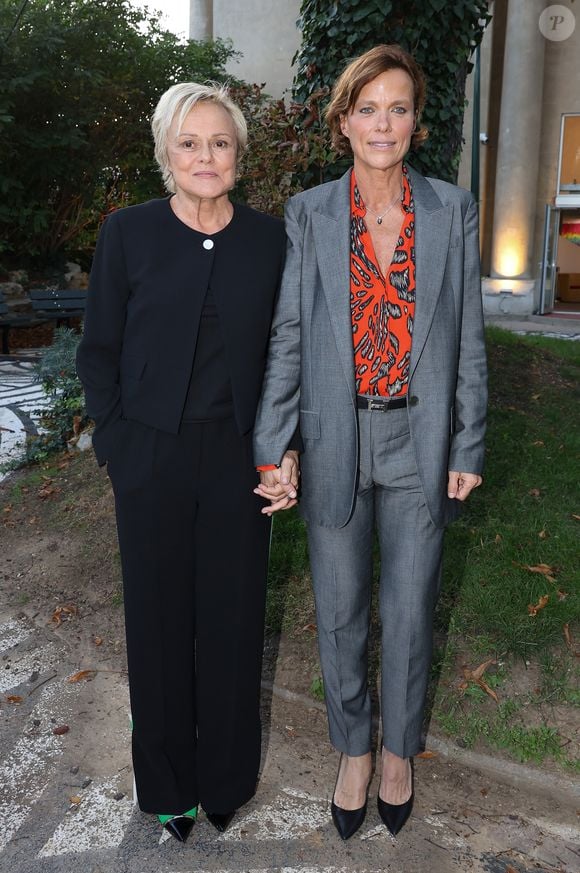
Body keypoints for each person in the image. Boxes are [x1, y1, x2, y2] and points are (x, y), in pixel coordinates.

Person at [253, 44, 487, 840]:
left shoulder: (452, 210)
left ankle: (397, 750)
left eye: (398, 107)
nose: (382, 122)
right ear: (343, 121)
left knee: (412, 609)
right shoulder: (311, 211)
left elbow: (469, 341)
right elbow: (289, 335)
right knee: (342, 609)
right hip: (332, 439)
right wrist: (271, 440)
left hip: (420, 439)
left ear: (416, 122)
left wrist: (468, 442)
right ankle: (353, 747)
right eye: (367, 107)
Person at [76, 82, 287, 843]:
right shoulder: (128, 233)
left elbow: (283, 357)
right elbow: (97, 350)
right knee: (159, 627)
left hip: (238, 458)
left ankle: (226, 780)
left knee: (233, 624)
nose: (206, 156)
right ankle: (167, 784)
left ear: (238, 154)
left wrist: (282, 449)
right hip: (151, 455)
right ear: (167, 153)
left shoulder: (268, 240)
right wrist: (117, 443)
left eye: (220, 142)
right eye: (190, 143)